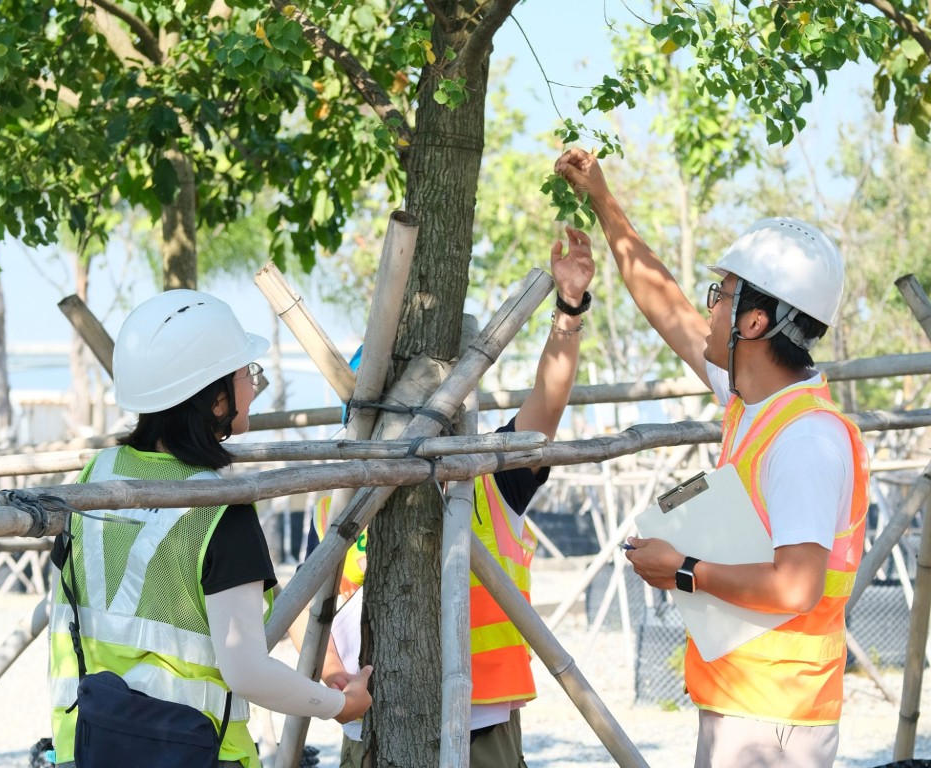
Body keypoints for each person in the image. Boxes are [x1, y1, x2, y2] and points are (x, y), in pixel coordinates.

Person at [555, 148, 869, 768]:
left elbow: (797, 586)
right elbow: (664, 302)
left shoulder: (804, 440)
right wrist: (602, 198)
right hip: (750, 705)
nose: (707, 308)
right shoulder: (754, 404)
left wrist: (683, 569)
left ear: (754, 322)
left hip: (773, 721)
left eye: (720, 296)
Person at [301, 226, 596, 768]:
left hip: (481, 722)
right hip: (371, 722)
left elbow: (546, 404)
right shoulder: (338, 497)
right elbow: (305, 601)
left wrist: (569, 310)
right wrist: (329, 678)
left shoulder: (488, 478)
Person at [46, 290, 373, 768]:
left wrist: (323, 669)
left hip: (86, 745)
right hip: (196, 753)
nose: (253, 387)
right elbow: (246, 672)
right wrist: (341, 707)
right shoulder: (218, 508)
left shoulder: (96, 474)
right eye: (246, 375)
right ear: (216, 398)